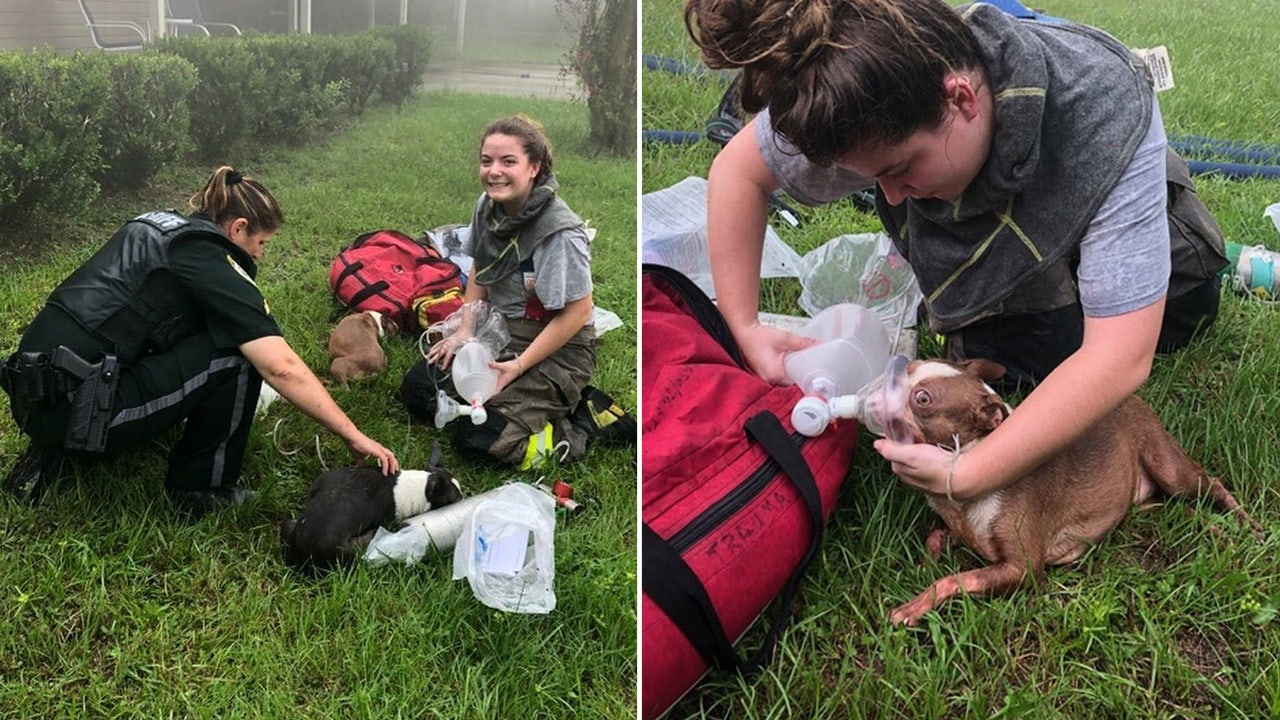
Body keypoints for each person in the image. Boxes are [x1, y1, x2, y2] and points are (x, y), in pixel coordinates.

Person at [683, 0, 1226, 501]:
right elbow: (737, 174)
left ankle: (1149, 245)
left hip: (1138, 220)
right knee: (1022, 361)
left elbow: (1120, 357)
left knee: (1172, 312)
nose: (889, 197)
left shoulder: (1102, 106)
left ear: (961, 99)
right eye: (872, 179)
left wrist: (969, 472)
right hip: (1004, 242)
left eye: (899, 170)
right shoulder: (855, 99)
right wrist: (744, 326)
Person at [0, 166, 399, 515]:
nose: (259, 256)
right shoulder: (206, 255)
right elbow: (281, 366)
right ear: (237, 227)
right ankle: (200, 489)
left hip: (29, 394)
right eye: (261, 244)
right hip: (78, 412)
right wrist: (353, 434)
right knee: (238, 356)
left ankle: (53, 445)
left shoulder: (155, 224)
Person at [400, 114, 634, 468]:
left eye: (508, 161)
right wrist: (465, 332)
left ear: (534, 168)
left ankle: (582, 423)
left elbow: (578, 313)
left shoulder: (559, 234)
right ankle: (515, 402)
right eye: (486, 161)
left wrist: (520, 366)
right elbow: (482, 261)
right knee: (417, 388)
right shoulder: (488, 207)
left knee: (481, 441)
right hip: (502, 331)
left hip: (558, 348)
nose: (494, 171)